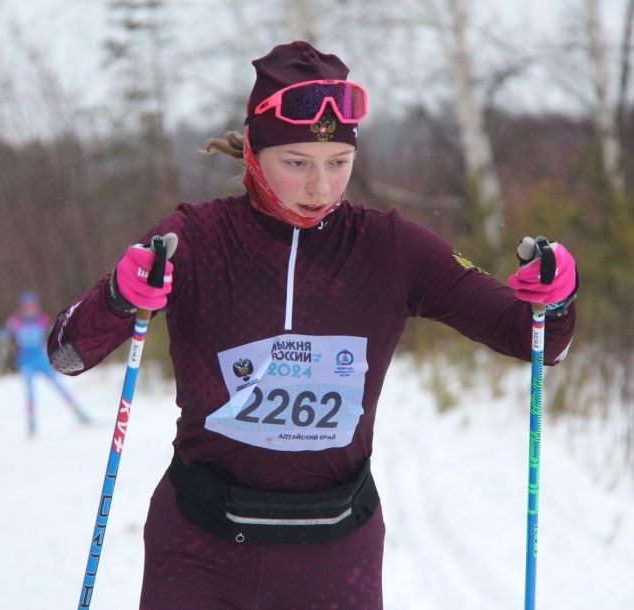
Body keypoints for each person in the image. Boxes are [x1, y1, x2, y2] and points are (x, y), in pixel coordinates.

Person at [48, 41, 577, 609]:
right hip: (201, 550)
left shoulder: (389, 248)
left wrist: (557, 295)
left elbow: (533, 339)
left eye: (338, 164)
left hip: (334, 557)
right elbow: (66, 353)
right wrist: (118, 297)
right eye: (296, 163)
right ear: (253, 151)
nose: (319, 187)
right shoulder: (196, 238)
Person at [0, 291, 91, 436]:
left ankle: (79, 412)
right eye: (26, 306)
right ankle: (32, 422)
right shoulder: (16, 322)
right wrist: (2, 333)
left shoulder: (42, 320)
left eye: (32, 306)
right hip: (26, 361)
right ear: (22, 307)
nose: (29, 309)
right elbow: (4, 333)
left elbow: (56, 328)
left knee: (59, 386)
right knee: (31, 393)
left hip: (41, 359)